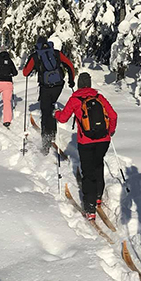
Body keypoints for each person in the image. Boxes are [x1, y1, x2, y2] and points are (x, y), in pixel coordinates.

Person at [55, 72, 118, 219]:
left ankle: (90, 208)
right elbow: (113, 116)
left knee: (88, 171)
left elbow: (63, 118)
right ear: (89, 84)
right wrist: (110, 131)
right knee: (98, 165)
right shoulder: (99, 97)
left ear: (78, 84)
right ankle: (97, 197)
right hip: (104, 140)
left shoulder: (75, 99)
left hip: (86, 141)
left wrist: (56, 114)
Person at [21, 38, 76, 154]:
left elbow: (25, 72)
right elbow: (70, 65)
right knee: (51, 107)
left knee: (45, 112)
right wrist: (71, 81)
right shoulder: (56, 53)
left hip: (45, 87)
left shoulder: (36, 55)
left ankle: (46, 141)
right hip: (58, 85)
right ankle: (53, 133)